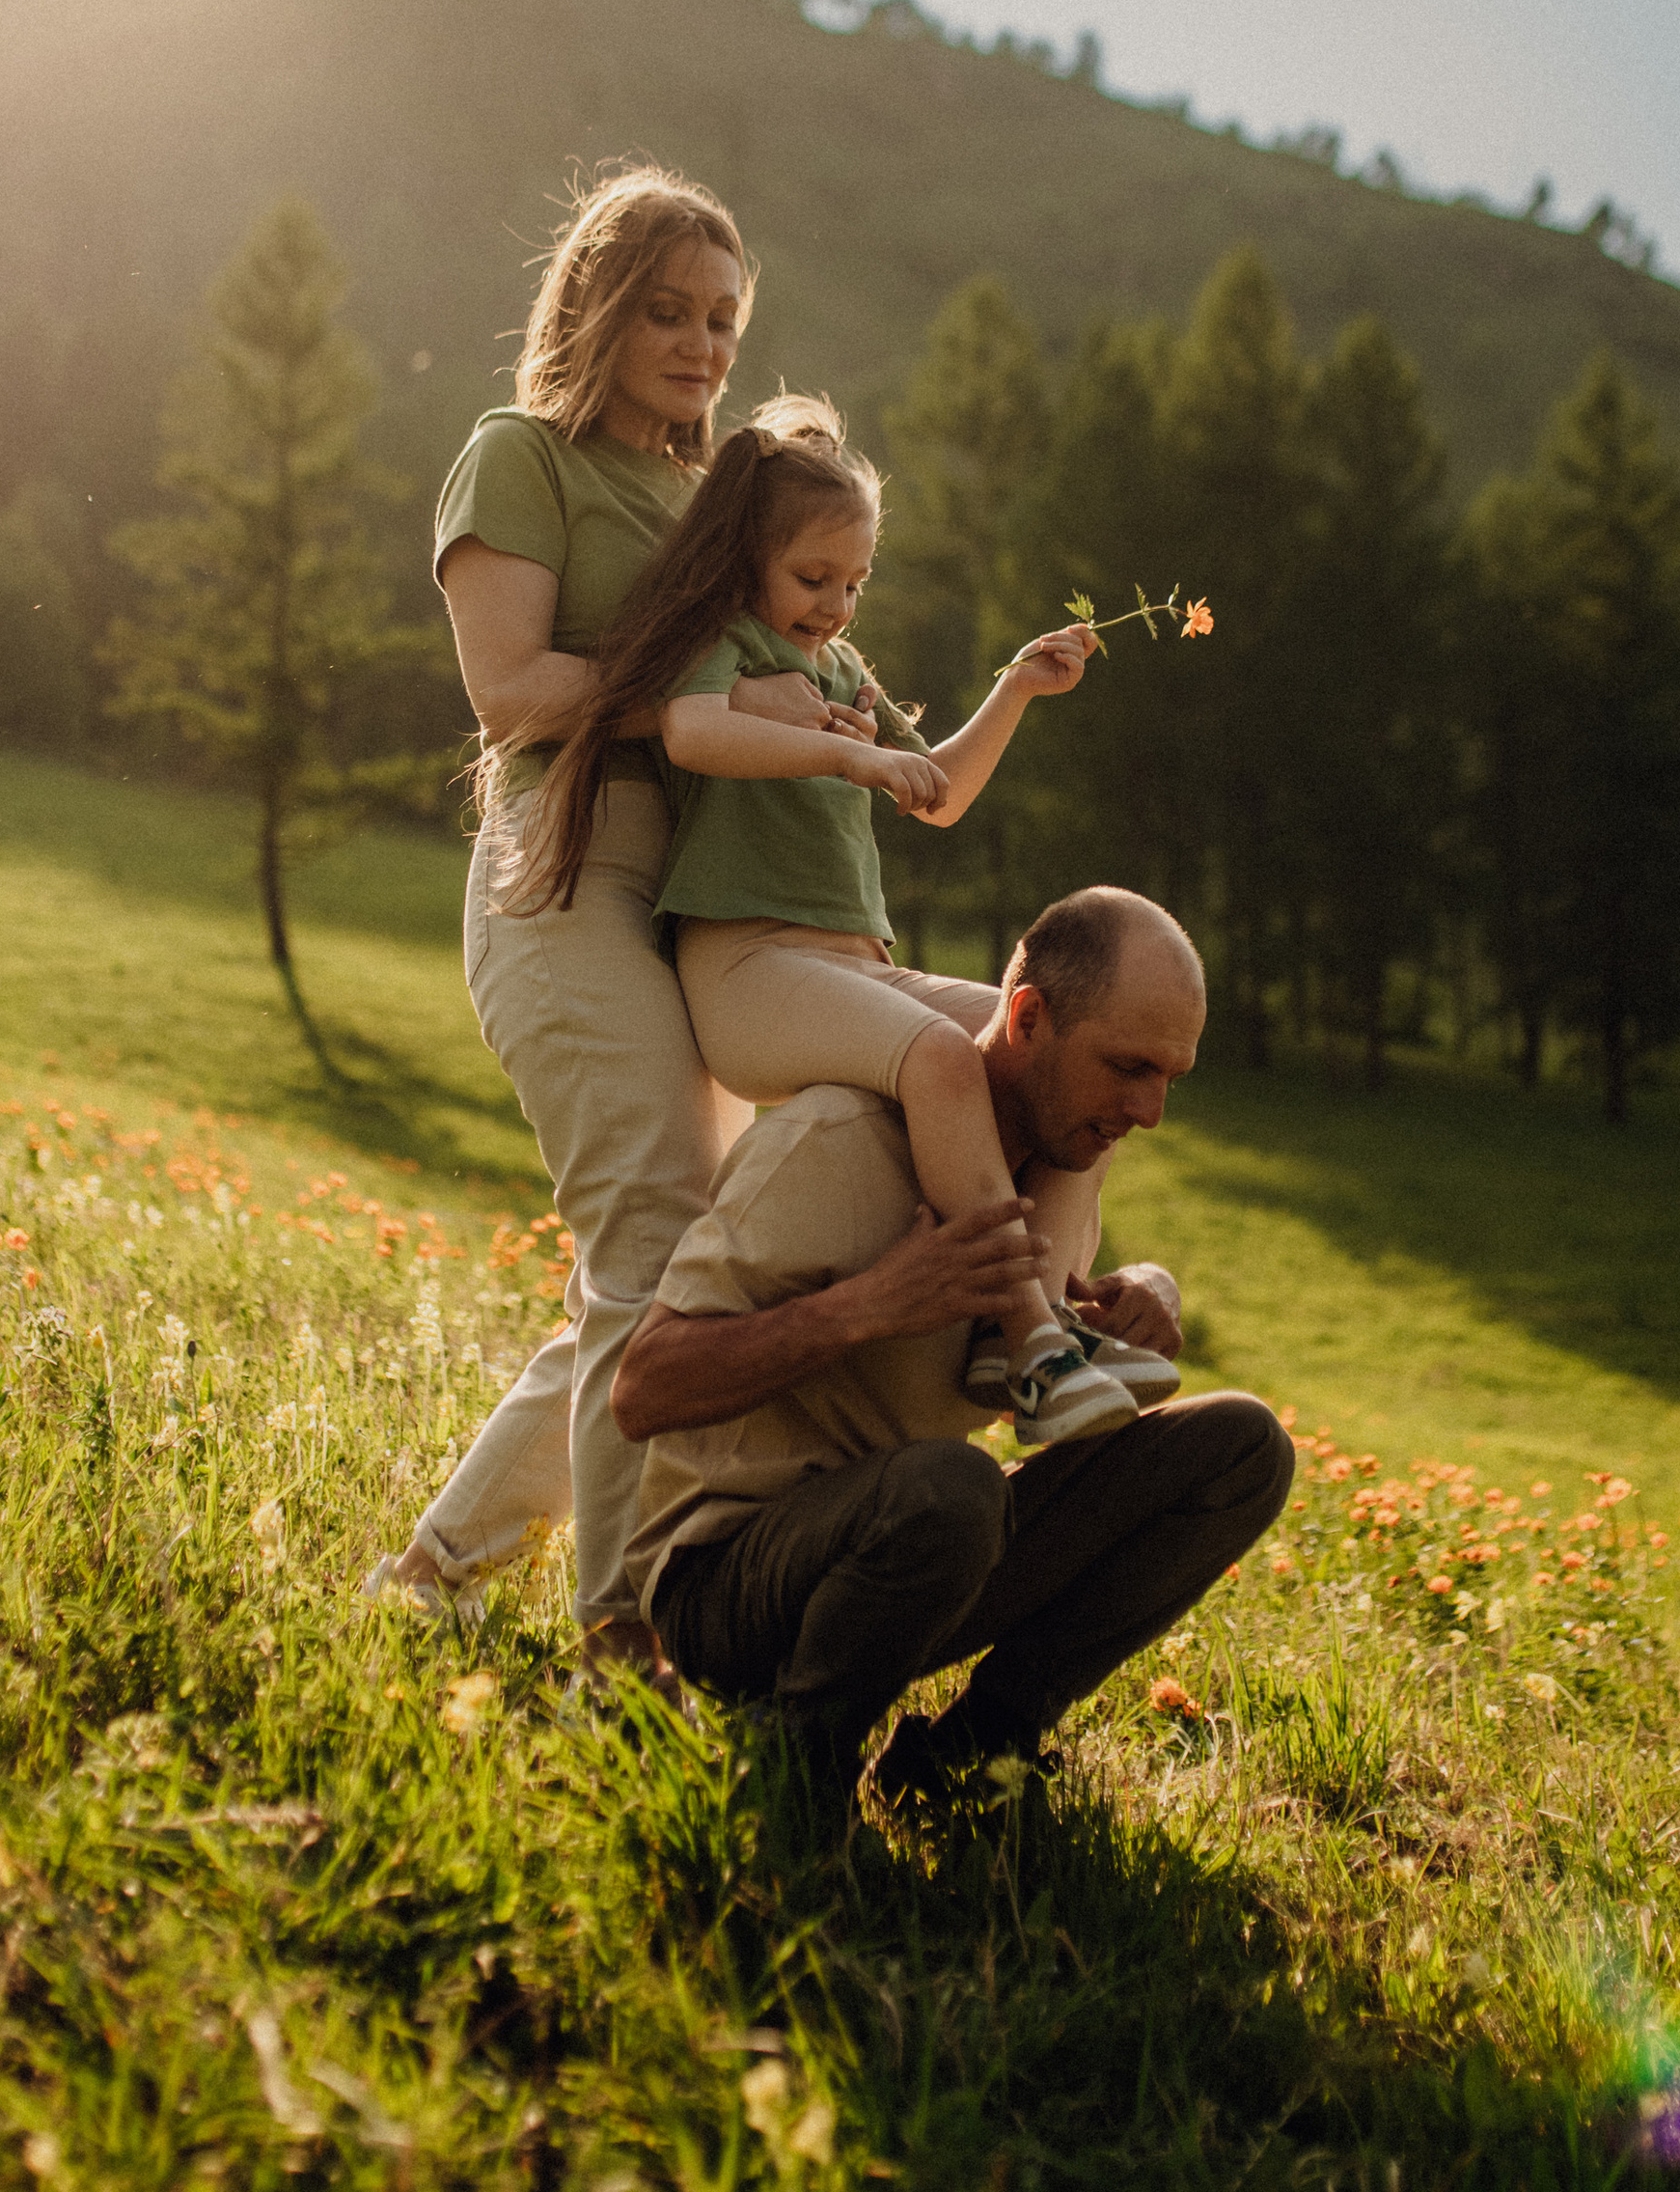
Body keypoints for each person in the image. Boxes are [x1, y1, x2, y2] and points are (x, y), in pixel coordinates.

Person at [376, 162, 867, 1664]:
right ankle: (622, 1619)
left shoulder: (726, 493)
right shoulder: (517, 454)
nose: (703, 345)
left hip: (717, 907)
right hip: (566, 872)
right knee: (654, 1239)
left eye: (724, 319)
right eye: (667, 309)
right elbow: (513, 690)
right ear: (594, 301)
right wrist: (711, 700)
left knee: (669, 1270)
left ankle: (441, 1566)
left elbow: (804, 663)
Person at [517, 397, 1146, 1440]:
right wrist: (846, 753)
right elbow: (694, 736)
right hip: (749, 971)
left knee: (1063, 1065)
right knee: (943, 1061)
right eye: (814, 580)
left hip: (858, 966)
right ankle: (1030, 1334)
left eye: (855, 583)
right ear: (746, 561)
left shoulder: (844, 669)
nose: (837, 606)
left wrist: (1015, 691)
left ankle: (1023, 1328)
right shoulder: (719, 645)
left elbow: (934, 791)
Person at [609, 887, 1295, 1796]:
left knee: (1243, 1447)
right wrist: (867, 1306)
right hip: (726, 1584)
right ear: (1028, 1017)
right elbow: (643, 1391)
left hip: (919, 1548)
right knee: (953, 1489)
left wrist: (1130, 1301)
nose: (1150, 1109)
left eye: (1170, 1076)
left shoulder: (1059, 1179)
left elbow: (1014, 1378)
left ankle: (975, 1754)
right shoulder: (835, 1144)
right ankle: (796, 1773)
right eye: (1128, 1066)